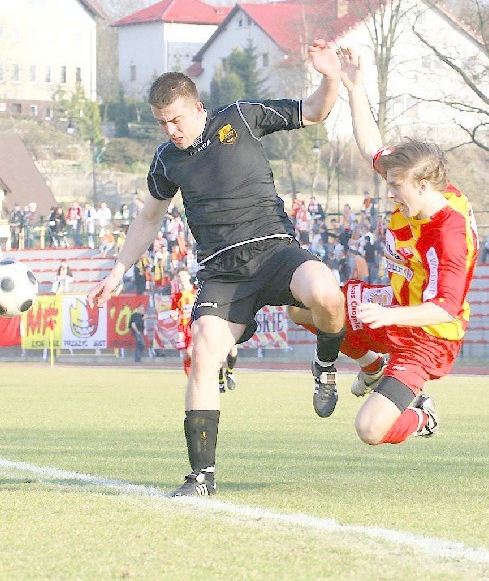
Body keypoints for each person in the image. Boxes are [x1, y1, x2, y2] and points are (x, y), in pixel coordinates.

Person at [87, 40, 346, 498]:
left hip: (274, 252)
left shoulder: (242, 118)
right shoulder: (167, 161)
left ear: (198, 107)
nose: (171, 130)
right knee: (205, 351)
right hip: (223, 273)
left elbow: (315, 111)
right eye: (162, 122)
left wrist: (330, 77)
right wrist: (117, 271)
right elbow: (149, 218)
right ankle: (201, 476)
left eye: (177, 119)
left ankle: (325, 363)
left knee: (326, 291)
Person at [290, 45, 479, 448]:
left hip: (430, 334)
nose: (389, 191)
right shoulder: (417, 184)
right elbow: (370, 147)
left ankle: (422, 416)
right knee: (305, 308)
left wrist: (386, 313)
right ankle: (374, 367)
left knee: (370, 430)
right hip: (394, 304)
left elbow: (445, 305)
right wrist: (354, 86)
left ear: (423, 185)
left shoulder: (448, 235)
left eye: (396, 186)